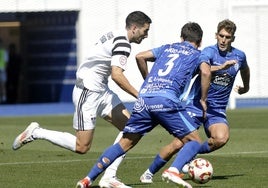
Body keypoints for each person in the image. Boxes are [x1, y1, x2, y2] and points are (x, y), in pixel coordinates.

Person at [12, 11, 152, 188]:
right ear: (134, 28)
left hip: (101, 90)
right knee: (82, 147)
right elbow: (117, 75)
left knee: (132, 129)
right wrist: (140, 96)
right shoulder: (123, 43)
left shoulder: (116, 32)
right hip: (87, 92)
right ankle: (36, 132)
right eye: (145, 31)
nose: (146, 35)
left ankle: (109, 178)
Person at [75, 22, 211, 188]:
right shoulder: (198, 54)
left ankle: (87, 179)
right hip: (165, 100)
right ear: (200, 41)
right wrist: (203, 99)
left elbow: (140, 56)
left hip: (145, 98)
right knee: (195, 141)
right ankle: (173, 170)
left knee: (124, 143)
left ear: (181, 38)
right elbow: (205, 72)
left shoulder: (168, 48)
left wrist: (148, 81)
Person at [140, 19, 250, 184]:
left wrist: (246, 87)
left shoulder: (239, 55)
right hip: (196, 104)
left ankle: (189, 155)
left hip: (217, 108)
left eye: (228, 37)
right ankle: (149, 173)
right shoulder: (208, 52)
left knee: (221, 138)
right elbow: (203, 69)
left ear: (232, 39)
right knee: (177, 144)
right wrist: (220, 68)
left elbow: (245, 69)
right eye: (221, 36)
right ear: (216, 35)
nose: (223, 40)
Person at [0, 38, 8, 103]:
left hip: (2, 69)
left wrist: (4, 69)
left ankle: (3, 98)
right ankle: (3, 98)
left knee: (2, 84)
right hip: (2, 69)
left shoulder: (4, 51)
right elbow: (6, 62)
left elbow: (6, 62)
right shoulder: (4, 51)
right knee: (2, 84)